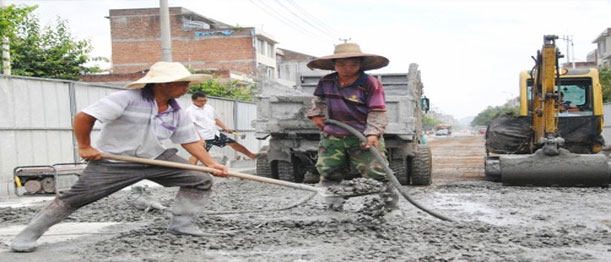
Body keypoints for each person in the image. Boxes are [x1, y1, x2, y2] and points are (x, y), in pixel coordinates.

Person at [11, 62, 228, 253]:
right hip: (115, 161)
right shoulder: (126, 99)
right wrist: (85, 146)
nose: (187, 89)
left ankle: (182, 225)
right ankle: (27, 235)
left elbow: (189, 140)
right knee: (75, 198)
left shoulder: (176, 111)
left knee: (200, 179)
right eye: (182, 84)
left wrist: (210, 164)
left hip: (156, 157)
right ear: (163, 83)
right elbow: (84, 117)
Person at [305, 42, 399, 211]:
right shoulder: (326, 81)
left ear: (360, 64)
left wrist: (373, 134)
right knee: (329, 171)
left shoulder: (370, 83)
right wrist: (316, 114)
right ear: (334, 65)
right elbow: (318, 100)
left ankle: (389, 207)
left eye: (353, 64)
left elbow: (377, 110)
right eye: (341, 64)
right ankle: (333, 206)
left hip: (362, 135)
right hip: (333, 134)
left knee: (377, 172)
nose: (347, 68)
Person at [185, 91, 265, 164]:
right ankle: (190, 170)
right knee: (198, 154)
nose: (203, 103)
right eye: (200, 101)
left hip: (214, 133)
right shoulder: (190, 111)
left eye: (205, 100)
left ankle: (252, 155)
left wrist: (225, 127)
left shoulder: (208, 107)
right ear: (193, 100)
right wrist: (199, 138)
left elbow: (215, 119)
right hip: (203, 137)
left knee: (233, 143)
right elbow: (191, 126)